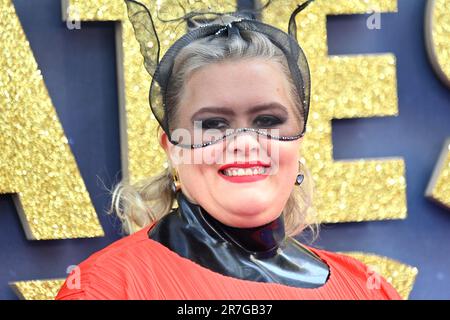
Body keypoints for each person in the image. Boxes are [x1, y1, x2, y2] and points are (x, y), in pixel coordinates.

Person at [55, 0, 402, 300]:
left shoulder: (366, 288)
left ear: (299, 138)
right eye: (214, 124)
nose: (245, 143)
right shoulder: (107, 288)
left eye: (268, 120)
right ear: (173, 148)